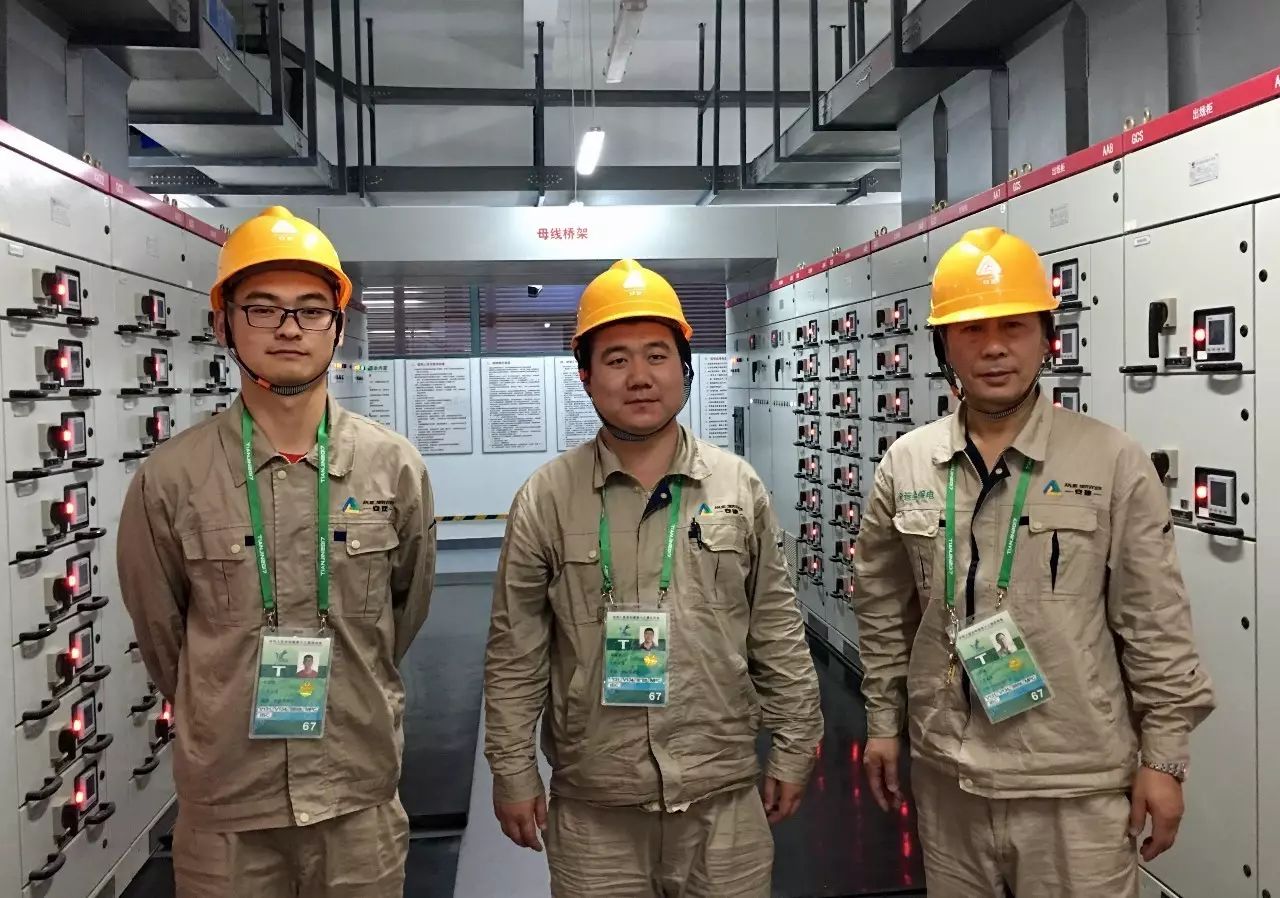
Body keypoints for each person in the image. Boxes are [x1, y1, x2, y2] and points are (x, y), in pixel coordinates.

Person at [849, 227, 1215, 897]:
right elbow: (881, 609)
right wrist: (882, 723)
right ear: (943, 345)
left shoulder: (1111, 459)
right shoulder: (907, 463)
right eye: (971, 330)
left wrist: (1164, 760)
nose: (994, 348)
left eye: (1014, 326)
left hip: (1074, 783)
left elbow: (1155, 621)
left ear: (1047, 337)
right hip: (950, 777)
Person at [117, 205, 437, 898]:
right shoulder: (170, 479)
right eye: (262, 308)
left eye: (311, 310)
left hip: (357, 800)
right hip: (228, 808)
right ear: (222, 324)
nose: (289, 328)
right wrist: (219, 700)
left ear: (338, 327)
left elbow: (402, 615)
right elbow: (163, 640)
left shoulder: (394, 469)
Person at [483, 259, 824, 897]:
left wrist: (795, 741)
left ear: (684, 368)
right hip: (596, 805)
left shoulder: (737, 487)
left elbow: (776, 629)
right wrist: (512, 769)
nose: (639, 377)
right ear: (585, 375)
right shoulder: (546, 498)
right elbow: (515, 652)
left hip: (722, 796)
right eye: (616, 359)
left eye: (657, 355)